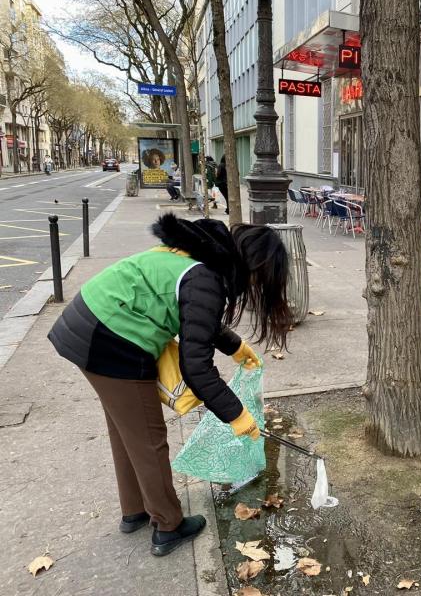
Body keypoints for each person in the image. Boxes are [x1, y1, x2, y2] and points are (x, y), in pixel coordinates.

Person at [48, 213, 292, 556]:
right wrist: (237, 415)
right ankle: (168, 525)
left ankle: (134, 511)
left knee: (126, 430)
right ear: (255, 269)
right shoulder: (205, 279)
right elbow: (197, 368)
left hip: (89, 325)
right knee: (148, 438)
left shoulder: (199, 260)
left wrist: (235, 347)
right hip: (112, 340)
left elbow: (195, 316)